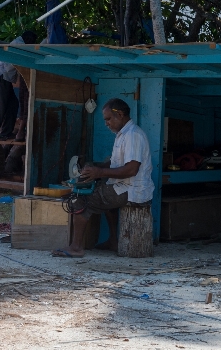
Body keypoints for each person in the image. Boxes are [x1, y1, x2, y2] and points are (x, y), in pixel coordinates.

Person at [52, 98, 154, 258]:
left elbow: (131, 169)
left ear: (120, 114)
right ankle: (113, 241)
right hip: (124, 186)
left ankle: (76, 247)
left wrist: (99, 173)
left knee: (80, 199)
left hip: (132, 190)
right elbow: (114, 164)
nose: (106, 123)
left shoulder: (133, 135)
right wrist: (95, 168)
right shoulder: (123, 134)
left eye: (108, 119)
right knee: (99, 188)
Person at [0, 30, 37, 140]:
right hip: (1, 76)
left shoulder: (19, 43)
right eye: (32, 41)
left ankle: (6, 132)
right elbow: (13, 65)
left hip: (4, 77)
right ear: (28, 40)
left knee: (13, 104)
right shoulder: (19, 46)